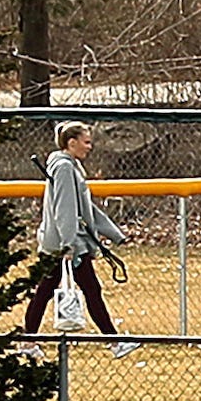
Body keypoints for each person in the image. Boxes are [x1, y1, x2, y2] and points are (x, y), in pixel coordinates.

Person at [19, 120, 139, 360]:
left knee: (48, 291)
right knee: (87, 290)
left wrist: (114, 234)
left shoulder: (71, 167)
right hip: (66, 245)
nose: (90, 146)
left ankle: (28, 341)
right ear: (71, 143)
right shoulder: (64, 168)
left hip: (68, 243)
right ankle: (114, 342)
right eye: (86, 141)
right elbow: (64, 209)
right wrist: (69, 244)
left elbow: (86, 209)